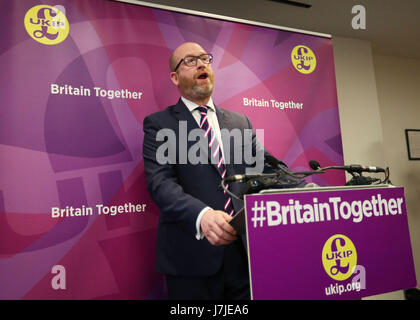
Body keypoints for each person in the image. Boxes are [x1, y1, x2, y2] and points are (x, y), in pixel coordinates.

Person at [142, 42, 303, 299]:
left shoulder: (240, 122)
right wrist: (202, 216)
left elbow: (267, 169)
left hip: (244, 256)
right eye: (190, 61)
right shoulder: (160, 124)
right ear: (174, 76)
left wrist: (308, 190)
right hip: (191, 260)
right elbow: (161, 184)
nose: (202, 64)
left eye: (205, 58)